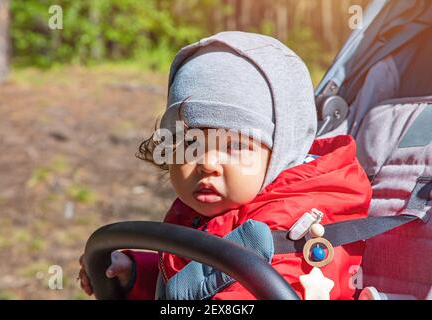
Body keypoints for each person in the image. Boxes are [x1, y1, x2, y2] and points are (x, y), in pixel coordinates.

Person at [79, 31, 372, 300]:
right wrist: (136, 273)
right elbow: (197, 280)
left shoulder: (293, 233)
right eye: (190, 144)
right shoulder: (204, 210)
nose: (207, 163)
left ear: (280, 150)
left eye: (234, 146)